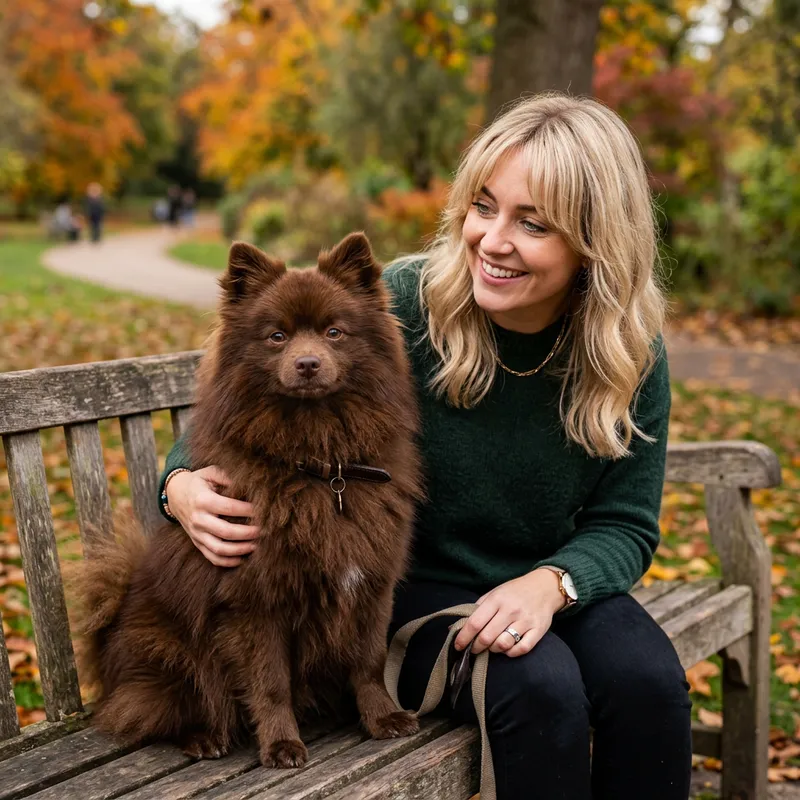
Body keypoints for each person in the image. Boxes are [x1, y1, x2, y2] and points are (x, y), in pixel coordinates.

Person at [156, 93, 691, 799]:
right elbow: (222, 423)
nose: (493, 240)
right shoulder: (407, 302)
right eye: (483, 206)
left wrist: (551, 585)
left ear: (595, 240)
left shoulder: (626, 353)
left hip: (547, 583)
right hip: (409, 596)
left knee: (648, 680)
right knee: (541, 689)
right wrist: (181, 487)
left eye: (532, 223)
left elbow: (625, 524)